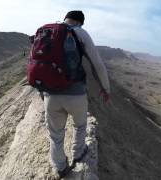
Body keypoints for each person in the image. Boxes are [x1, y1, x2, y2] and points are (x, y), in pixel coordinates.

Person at [43, 10, 110, 178]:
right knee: (80, 126)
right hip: (75, 94)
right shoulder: (80, 32)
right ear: (80, 22)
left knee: (56, 135)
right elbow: (98, 64)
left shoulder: (47, 31)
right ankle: (77, 153)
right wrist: (105, 88)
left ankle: (60, 167)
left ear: (66, 18)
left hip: (50, 95)